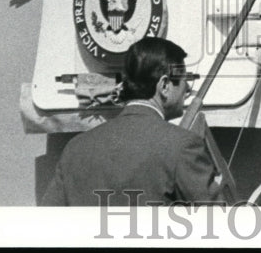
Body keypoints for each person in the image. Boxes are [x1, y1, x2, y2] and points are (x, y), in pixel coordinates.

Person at [40, 37, 225, 206]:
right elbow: (218, 225)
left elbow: (47, 226)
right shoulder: (183, 146)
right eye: (185, 82)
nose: (187, 90)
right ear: (165, 86)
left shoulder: (75, 148)